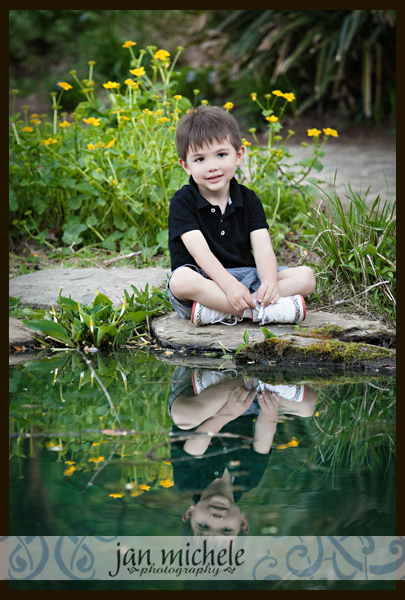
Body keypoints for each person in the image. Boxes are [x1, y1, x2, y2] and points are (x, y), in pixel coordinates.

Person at [167, 105, 316, 327]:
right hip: (205, 280)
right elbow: (200, 253)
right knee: (180, 281)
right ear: (185, 165)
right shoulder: (183, 202)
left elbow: (263, 247)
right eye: (200, 159)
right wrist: (228, 285)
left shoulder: (248, 199)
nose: (212, 166)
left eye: (221, 154)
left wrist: (268, 282)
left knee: (306, 277)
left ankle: (224, 311)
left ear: (238, 155)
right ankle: (259, 311)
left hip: (247, 278)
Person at [168, 366, 317, 536]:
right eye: (226, 530)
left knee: (184, 417)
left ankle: (246, 379)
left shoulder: (187, 483)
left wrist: (228, 413)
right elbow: (264, 436)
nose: (216, 519)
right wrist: (270, 408)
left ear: (189, 515)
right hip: (248, 402)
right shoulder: (248, 480)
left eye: (204, 526)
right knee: (307, 407)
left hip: (202, 396)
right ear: (242, 523)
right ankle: (259, 379)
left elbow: (197, 442)